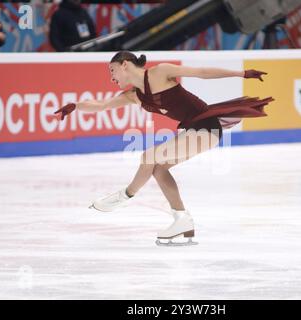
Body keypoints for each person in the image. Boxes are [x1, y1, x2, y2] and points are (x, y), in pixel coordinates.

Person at [54, 51, 274, 246]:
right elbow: (101, 105)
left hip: (206, 128)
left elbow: (202, 72)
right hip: (194, 132)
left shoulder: (160, 72)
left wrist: (242, 74)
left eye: (113, 71)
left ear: (125, 64)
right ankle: (181, 218)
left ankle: (125, 196)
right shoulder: (133, 96)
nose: (112, 77)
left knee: (148, 156)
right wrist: (75, 106)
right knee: (158, 169)